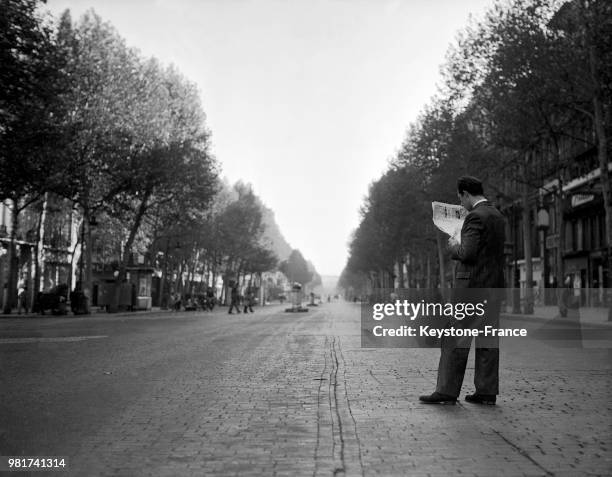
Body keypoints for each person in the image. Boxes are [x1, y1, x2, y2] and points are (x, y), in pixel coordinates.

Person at [420, 176, 506, 405]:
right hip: (494, 287)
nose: (461, 204)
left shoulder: (475, 217)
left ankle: (446, 391)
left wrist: (453, 247)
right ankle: (486, 392)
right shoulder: (498, 215)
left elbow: (468, 253)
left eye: (460, 198)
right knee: (488, 340)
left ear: (466, 194)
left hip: (473, 288)